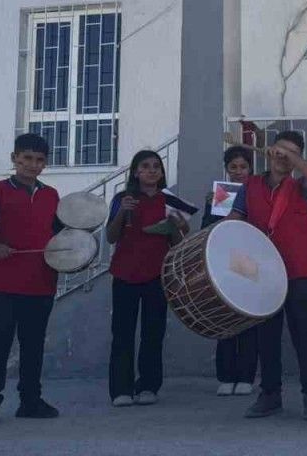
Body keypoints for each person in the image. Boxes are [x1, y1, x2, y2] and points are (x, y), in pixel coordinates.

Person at [0, 133, 65, 427]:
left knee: (33, 346)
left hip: (42, 281)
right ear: (14, 159)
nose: (33, 165)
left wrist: (74, 250)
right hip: (5, 284)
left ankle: (30, 401)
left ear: (46, 163)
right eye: (27, 158)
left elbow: (60, 234)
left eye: (39, 160)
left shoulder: (52, 195)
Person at [230, 131, 307, 420]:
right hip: (262, 272)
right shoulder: (250, 185)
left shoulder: (300, 187)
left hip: (297, 272)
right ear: (270, 151)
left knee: (303, 335)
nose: (283, 156)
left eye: (292, 152)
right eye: (280, 149)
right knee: (267, 337)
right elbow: (235, 220)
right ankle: (270, 395)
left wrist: (291, 155)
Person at [106, 151, 193, 408]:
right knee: (122, 333)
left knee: (153, 333)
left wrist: (176, 226)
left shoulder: (170, 200)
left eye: (157, 166)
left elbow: (177, 243)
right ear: (135, 172)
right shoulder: (123, 198)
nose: (152, 170)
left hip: (158, 274)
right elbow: (111, 237)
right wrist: (122, 213)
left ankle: (148, 386)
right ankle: (120, 390)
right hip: (125, 273)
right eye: (145, 166)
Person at [202, 145, 259, 397]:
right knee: (224, 318)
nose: (238, 171)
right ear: (226, 170)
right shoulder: (218, 196)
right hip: (224, 264)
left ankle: (246, 376)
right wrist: (210, 207)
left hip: (250, 262)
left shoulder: (258, 194)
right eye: (233, 167)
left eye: (243, 167)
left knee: (248, 319)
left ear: (251, 169)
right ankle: (226, 376)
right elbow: (206, 231)